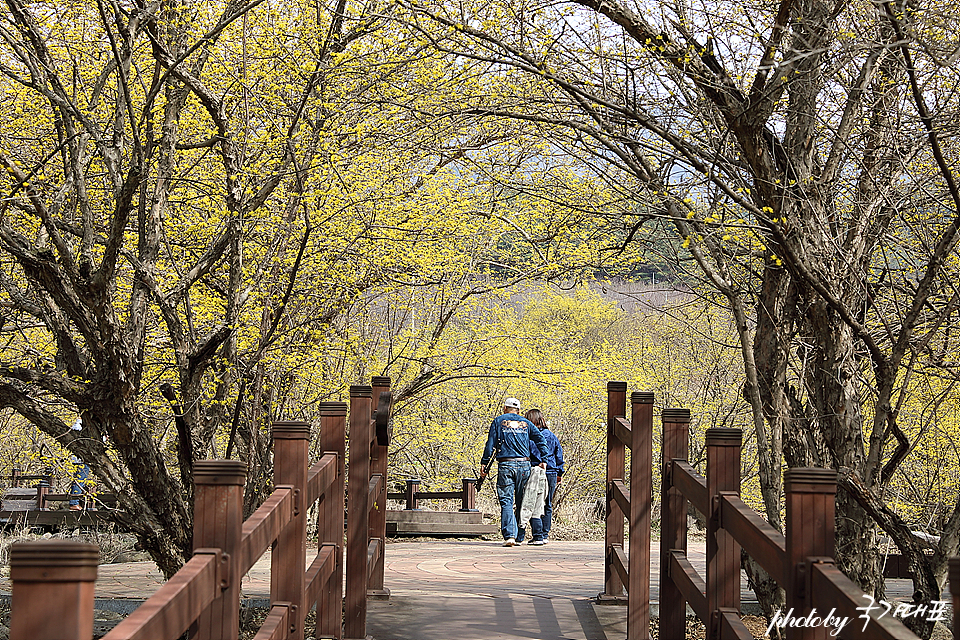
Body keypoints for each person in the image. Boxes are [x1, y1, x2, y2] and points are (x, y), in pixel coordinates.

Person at [479, 397, 547, 546]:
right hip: (524, 465)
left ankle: (509, 535)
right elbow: (541, 439)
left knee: (507, 501)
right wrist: (544, 459)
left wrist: (484, 463)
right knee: (523, 501)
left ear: (504, 408)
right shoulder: (526, 423)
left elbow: (490, 444)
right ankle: (519, 537)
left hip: (506, 465)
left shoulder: (498, 421)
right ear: (519, 411)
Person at [524, 409, 564, 545]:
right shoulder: (551, 435)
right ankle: (545, 533)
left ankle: (538, 534)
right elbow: (559, 454)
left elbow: (530, 453)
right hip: (552, 471)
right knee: (547, 503)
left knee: (534, 502)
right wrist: (560, 472)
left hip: (535, 470)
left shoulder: (529, 437)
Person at [68, 417, 90, 510]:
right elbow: (90, 441)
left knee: (76, 479)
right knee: (80, 479)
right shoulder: (84, 428)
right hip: (82, 459)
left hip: (75, 459)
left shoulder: (74, 428)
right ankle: (74, 503)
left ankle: (75, 501)